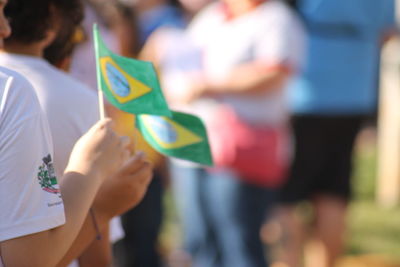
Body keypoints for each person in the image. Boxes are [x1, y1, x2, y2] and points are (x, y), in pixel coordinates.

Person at [150, 0, 305, 266]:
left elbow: (275, 73)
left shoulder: (277, 19)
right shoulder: (213, 15)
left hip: (240, 150)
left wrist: (210, 85)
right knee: (200, 241)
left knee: (238, 242)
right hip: (193, 143)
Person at [0, 0, 152, 266]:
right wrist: (95, 190)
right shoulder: (13, 92)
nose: (5, 29)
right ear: (53, 18)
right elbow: (92, 258)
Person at [277, 1, 398, 267]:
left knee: (287, 196)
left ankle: (290, 261)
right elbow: (388, 32)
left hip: (303, 99)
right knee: (333, 190)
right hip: (354, 96)